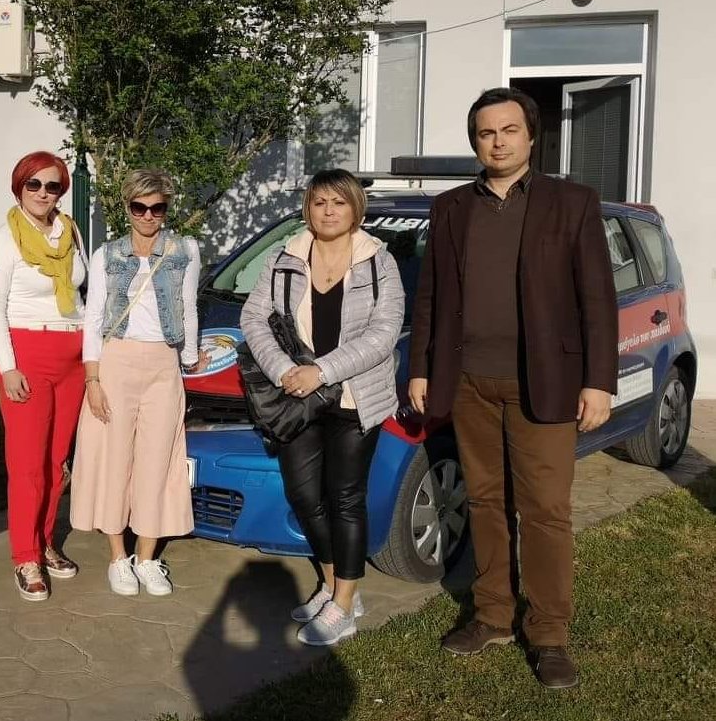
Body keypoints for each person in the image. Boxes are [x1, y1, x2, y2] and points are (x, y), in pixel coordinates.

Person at [408, 87, 617, 689]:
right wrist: (421, 367)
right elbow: (431, 296)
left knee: (545, 510)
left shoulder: (571, 202)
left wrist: (597, 381)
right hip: (469, 382)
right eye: (485, 133)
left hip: (544, 384)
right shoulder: (451, 207)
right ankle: (493, 615)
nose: (497, 142)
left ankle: (549, 634)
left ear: (531, 136)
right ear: (475, 142)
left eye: (508, 130)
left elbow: (597, 299)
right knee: (484, 503)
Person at [239, 168, 404, 647]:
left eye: (338, 202)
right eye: (319, 202)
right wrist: (283, 371)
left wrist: (321, 372)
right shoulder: (285, 256)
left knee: (345, 498)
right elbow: (254, 317)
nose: (328, 211)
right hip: (297, 396)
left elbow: (384, 334)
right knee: (305, 496)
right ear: (308, 209)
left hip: (354, 398)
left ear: (355, 209)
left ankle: (345, 606)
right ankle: (335, 588)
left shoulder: (379, 262)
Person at [70, 169, 208, 597]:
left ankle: (147, 558)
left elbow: (187, 307)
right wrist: (92, 378)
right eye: (140, 207)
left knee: (158, 459)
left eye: (157, 208)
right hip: (117, 362)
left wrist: (189, 359)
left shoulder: (185, 250)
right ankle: (118, 557)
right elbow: (93, 318)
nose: (148, 216)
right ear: (127, 207)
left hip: (163, 364)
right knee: (114, 459)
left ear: (167, 209)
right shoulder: (106, 254)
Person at [0, 151, 88, 601]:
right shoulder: (4, 240)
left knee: (56, 460)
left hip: (72, 357)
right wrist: (8, 367)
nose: (44, 193)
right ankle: (24, 555)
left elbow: (81, 295)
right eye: (35, 184)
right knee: (27, 463)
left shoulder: (70, 232)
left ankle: (45, 541)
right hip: (27, 354)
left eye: (53, 186)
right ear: (19, 187)